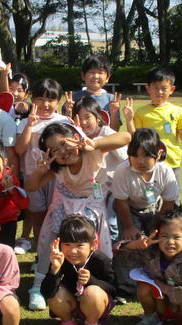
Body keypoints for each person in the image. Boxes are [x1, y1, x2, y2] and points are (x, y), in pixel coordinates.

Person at [24, 122, 131, 310]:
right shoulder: (57, 167)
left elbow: (126, 137)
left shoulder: (92, 152)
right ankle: (38, 286)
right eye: (54, 150)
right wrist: (40, 171)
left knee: (89, 246)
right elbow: (31, 186)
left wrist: (94, 143)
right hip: (63, 208)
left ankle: (97, 284)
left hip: (91, 209)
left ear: (75, 137)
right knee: (51, 244)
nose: (62, 152)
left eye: (64, 143)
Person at [112, 128, 179, 301]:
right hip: (128, 209)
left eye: (147, 155)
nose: (140, 161)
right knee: (128, 242)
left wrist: (157, 226)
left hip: (156, 209)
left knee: (156, 242)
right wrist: (129, 226)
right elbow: (121, 202)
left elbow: (168, 203)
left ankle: (159, 278)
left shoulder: (165, 171)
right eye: (135, 156)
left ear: (159, 153)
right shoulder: (122, 170)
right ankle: (126, 286)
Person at [14, 78, 70, 254]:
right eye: (40, 99)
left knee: (56, 217)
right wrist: (29, 126)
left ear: (58, 101)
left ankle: (57, 254)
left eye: (51, 100)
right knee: (38, 216)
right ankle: (41, 254)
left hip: (56, 176)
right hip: (33, 176)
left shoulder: (65, 122)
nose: (46, 104)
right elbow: (20, 149)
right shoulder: (26, 122)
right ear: (32, 100)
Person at [41, 215, 116, 325]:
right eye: (67, 245)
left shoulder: (101, 260)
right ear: (59, 244)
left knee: (93, 292)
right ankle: (68, 324)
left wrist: (91, 281)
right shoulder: (61, 259)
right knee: (55, 293)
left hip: (95, 305)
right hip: (72, 304)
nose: (72, 251)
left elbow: (113, 289)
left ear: (93, 245)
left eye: (79, 245)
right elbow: (46, 292)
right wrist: (54, 269)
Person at [125, 67, 182, 190]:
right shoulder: (141, 112)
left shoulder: (177, 111)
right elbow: (135, 139)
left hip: (172, 163)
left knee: (172, 197)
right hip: (149, 163)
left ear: (172, 89)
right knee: (149, 197)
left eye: (164, 88)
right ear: (148, 88)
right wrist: (129, 120)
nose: (159, 92)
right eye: (155, 88)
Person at [73, 95, 127, 242]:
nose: (83, 122)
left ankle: (113, 248)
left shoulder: (107, 134)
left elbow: (125, 160)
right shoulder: (75, 136)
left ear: (98, 118)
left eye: (87, 117)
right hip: (89, 188)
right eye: (79, 118)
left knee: (110, 222)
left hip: (112, 188)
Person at [63, 54, 121, 129]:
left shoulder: (112, 100)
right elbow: (66, 128)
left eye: (100, 73)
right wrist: (68, 111)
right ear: (83, 75)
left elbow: (115, 130)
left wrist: (114, 113)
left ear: (107, 77)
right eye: (92, 72)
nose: (96, 76)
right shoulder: (73, 99)